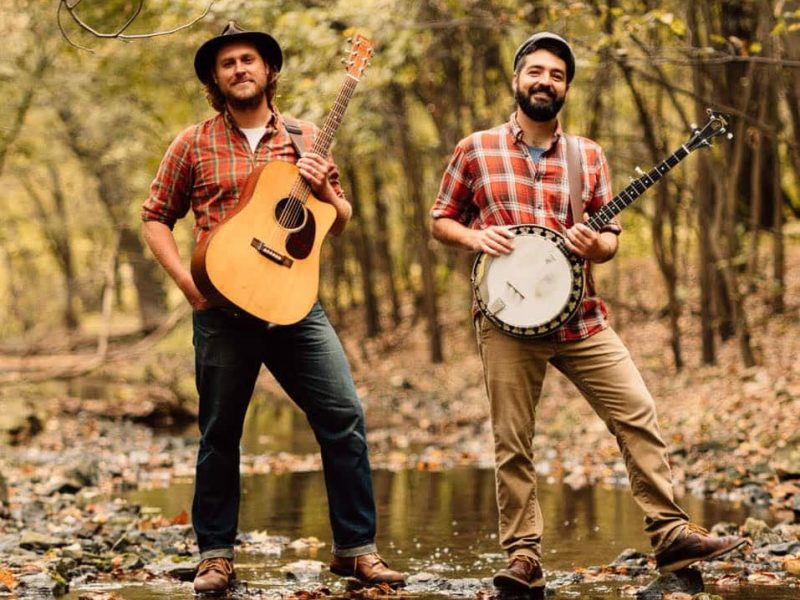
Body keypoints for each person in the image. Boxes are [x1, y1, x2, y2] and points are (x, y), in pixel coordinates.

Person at [429, 31, 746, 592]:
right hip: (506, 319)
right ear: (516, 80)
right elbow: (440, 220)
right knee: (513, 442)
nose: (545, 81)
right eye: (536, 72)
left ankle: (671, 536)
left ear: (566, 87)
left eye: (556, 75)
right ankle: (524, 557)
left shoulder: (588, 155)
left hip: (582, 318)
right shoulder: (476, 148)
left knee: (637, 412)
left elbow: (611, 237)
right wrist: (477, 240)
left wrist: (593, 244)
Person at [141, 21, 405, 594]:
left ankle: (356, 549)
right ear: (215, 78)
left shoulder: (309, 137)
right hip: (222, 309)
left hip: (294, 305)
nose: (240, 69)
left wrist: (326, 187)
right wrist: (189, 286)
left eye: (249, 60)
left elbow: (340, 220)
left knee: (343, 418)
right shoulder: (192, 142)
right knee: (220, 433)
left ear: (269, 71)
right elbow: (155, 215)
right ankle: (215, 554)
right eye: (228, 62)